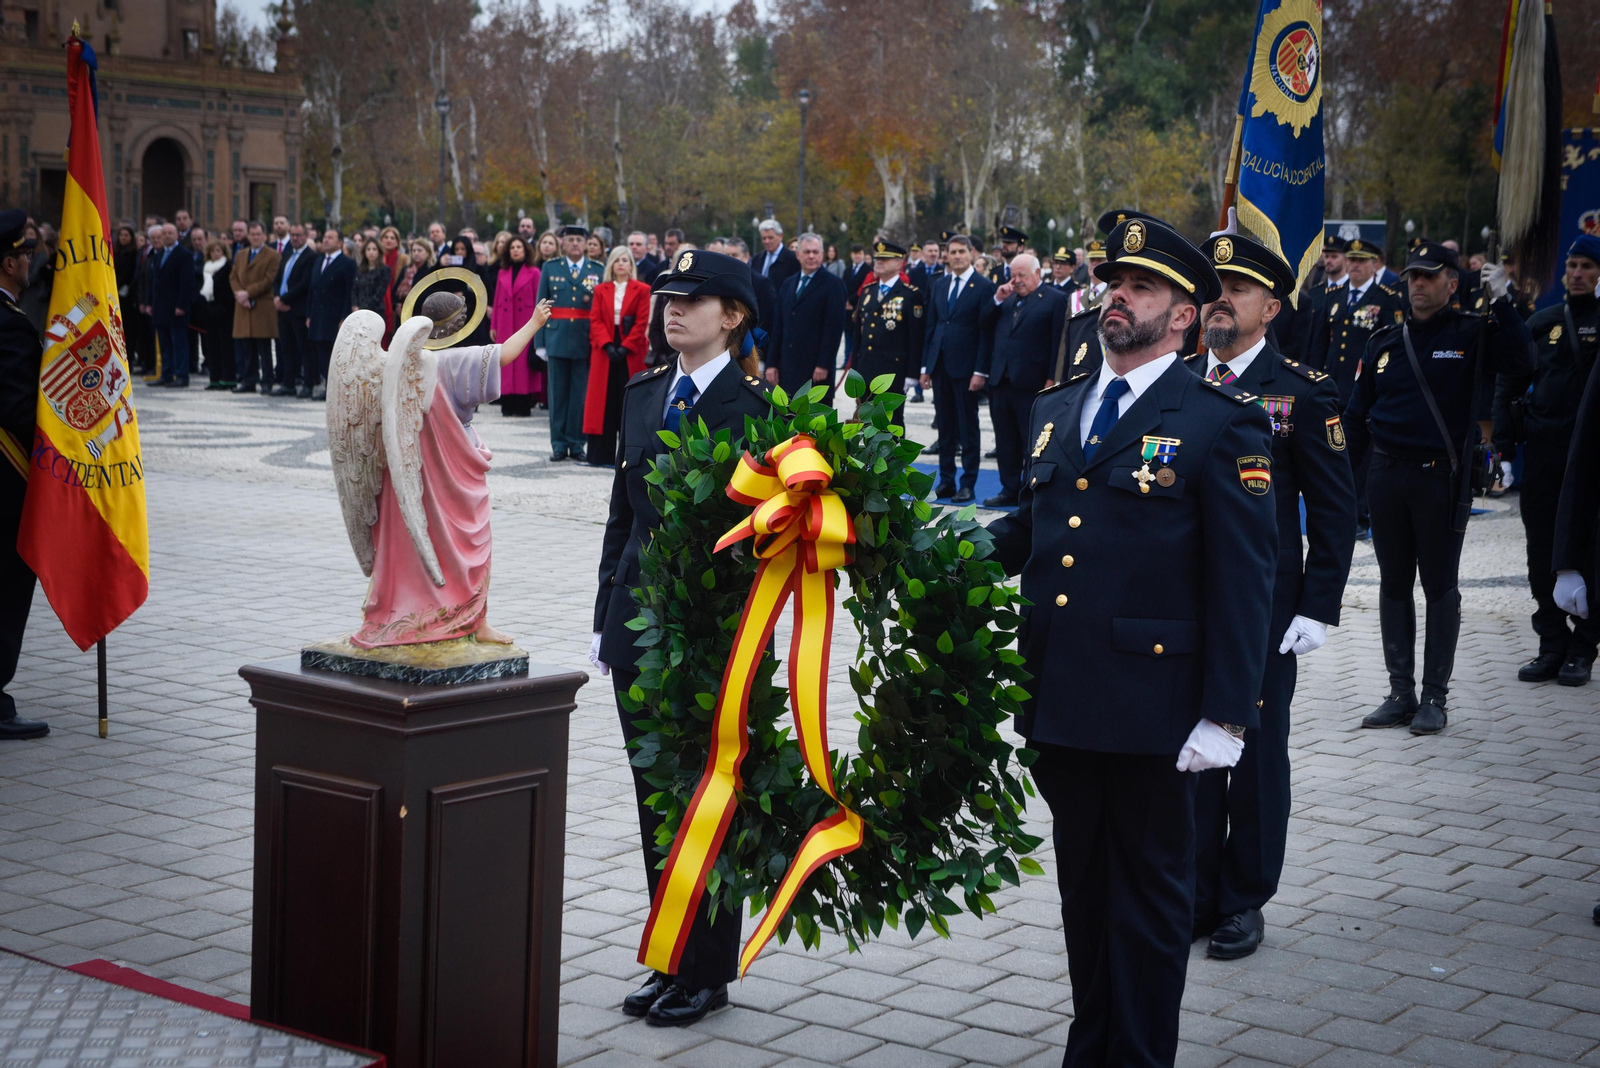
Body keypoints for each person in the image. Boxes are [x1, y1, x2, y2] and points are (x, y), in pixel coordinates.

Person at [985, 211, 1275, 1068]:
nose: (1117, 297)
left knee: (1149, 908)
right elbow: (1032, 529)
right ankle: (1092, 1049)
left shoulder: (1218, 420)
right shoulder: (1058, 405)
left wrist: (1227, 714)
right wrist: (926, 551)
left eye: (1141, 287)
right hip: (1061, 699)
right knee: (1085, 897)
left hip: (1156, 712)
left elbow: (1245, 579)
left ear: (1184, 315)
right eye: (1113, 283)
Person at [590, 249, 774, 1028]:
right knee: (654, 799)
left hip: (716, 638)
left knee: (710, 802)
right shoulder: (644, 393)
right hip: (640, 626)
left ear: (732, 316)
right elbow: (621, 517)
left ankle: (707, 971)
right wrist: (603, 619)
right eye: (668, 296)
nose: (672, 309)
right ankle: (669, 955)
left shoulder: (760, 411)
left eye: (692, 300)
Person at [1188, 231, 1356, 961]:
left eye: (1238, 290)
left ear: (1272, 307)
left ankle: (1243, 898)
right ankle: (1194, 891)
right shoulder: (1180, 380)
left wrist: (1318, 604)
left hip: (1264, 606)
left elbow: (1335, 509)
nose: (1220, 301)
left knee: (1253, 754)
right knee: (1189, 750)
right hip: (1184, 601)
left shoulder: (1301, 392)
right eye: (1213, 289)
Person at [1346, 241, 1531, 735]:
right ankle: (1400, 692)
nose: (1419, 284)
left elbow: (1522, 362)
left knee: (1440, 585)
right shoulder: (1385, 340)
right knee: (1393, 582)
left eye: (1429, 276)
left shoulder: (1472, 332)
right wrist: (1339, 479)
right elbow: (1357, 416)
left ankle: (1434, 696)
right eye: (1413, 276)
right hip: (1387, 475)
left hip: (1439, 477)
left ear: (1453, 283)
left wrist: (1504, 301)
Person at [347, 292, 554, 649]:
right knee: (470, 541)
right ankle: (475, 619)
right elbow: (504, 354)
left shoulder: (402, 362)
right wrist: (535, 322)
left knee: (415, 541)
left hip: (412, 463)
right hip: (452, 461)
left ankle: (411, 609)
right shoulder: (457, 359)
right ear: (461, 324)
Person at [1495, 235, 1600, 686]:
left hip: (1590, 460)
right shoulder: (1542, 321)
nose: (1577, 274)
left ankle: (1584, 647)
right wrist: (1503, 449)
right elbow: (1509, 382)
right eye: (1572, 265)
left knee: (1590, 552)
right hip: (1543, 454)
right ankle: (1552, 643)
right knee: (1541, 551)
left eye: (1587, 267)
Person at [0, 212, 48, 740]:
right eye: (26, 253)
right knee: (7, 591)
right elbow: (17, 409)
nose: (31, 261)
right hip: (7, 484)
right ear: (9, 263)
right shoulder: (10, 323)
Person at [976, 252, 1067, 507]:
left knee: (1033, 442)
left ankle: (1030, 492)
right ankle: (1009, 489)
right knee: (1005, 441)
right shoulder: (1006, 299)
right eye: (1013, 275)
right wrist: (997, 299)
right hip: (1001, 382)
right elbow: (983, 324)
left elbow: (1058, 343)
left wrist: (1052, 378)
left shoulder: (1055, 299)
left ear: (1037, 273)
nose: (1016, 280)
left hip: (1033, 384)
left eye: (1022, 275)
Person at [920, 234, 998, 503]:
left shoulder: (983, 286)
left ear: (971, 254)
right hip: (940, 365)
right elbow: (932, 326)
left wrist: (980, 371)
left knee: (967, 428)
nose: (956, 256)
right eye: (952, 252)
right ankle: (946, 480)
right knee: (945, 427)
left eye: (961, 252)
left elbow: (985, 333)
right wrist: (926, 366)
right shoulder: (940, 284)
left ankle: (968, 483)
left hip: (967, 368)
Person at [535, 225, 605, 462]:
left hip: (584, 338)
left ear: (586, 244)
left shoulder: (597, 269)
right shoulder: (550, 267)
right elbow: (542, 304)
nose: (575, 243)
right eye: (571, 239)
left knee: (579, 396)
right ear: (562, 243)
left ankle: (576, 444)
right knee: (557, 396)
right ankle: (558, 444)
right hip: (555, 337)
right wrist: (540, 341)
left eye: (579, 240)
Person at [584, 246, 651, 464]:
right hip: (604, 348)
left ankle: (627, 457)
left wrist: (625, 347)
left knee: (629, 400)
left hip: (631, 350)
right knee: (602, 401)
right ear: (611, 265)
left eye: (625, 260)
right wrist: (607, 345)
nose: (621, 264)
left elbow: (642, 322)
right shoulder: (600, 289)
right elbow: (595, 320)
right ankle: (599, 455)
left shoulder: (642, 289)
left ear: (631, 265)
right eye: (617, 260)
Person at [764, 232, 846, 399]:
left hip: (815, 371)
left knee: (814, 415)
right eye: (807, 252)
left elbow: (833, 330)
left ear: (822, 254)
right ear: (797, 254)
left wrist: (823, 364)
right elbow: (778, 327)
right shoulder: (788, 284)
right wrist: (771, 364)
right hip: (787, 369)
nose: (811, 256)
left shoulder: (833, 285)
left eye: (815, 252)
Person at [849, 239, 924, 413]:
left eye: (885, 259)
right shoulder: (868, 291)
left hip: (893, 370)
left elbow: (916, 337)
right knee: (866, 418)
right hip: (866, 367)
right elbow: (858, 334)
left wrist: (912, 374)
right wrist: (854, 369)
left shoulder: (910, 294)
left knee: (891, 420)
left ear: (899, 264)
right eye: (878, 259)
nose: (879, 262)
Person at [491, 234, 542, 417]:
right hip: (505, 323)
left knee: (522, 367)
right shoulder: (502, 273)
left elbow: (539, 299)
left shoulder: (534, 272)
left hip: (524, 323)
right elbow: (497, 300)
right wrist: (493, 325)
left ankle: (522, 404)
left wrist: (538, 325)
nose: (515, 250)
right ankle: (507, 403)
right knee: (505, 363)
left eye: (519, 247)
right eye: (512, 248)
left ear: (525, 250)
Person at [228, 222, 280, 394]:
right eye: (252, 234)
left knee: (264, 347)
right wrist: (239, 294)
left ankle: (267, 381)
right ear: (248, 236)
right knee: (247, 346)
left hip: (262, 305)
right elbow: (233, 276)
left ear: (264, 235)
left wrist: (248, 293)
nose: (256, 237)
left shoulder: (273, 255)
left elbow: (268, 280)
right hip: (243, 306)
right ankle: (249, 380)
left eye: (259, 234)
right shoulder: (241, 254)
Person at [306, 227, 356, 400]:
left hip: (335, 316)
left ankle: (337, 390)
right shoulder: (319, 260)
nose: (326, 240)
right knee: (322, 353)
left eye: (330, 237)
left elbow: (349, 292)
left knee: (336, 354)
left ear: (340, 242)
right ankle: (328, 386)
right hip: (318, 315)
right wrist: (309, 314)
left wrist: (345, 317)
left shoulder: (347, 263)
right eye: (325, 237)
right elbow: (312, 289)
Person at [149, 222, 198, 388]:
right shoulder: (159, 254)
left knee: (179, 343)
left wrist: (182, 305)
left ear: (177, 235)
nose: (167, 236)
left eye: (170, 233)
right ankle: (167, 374)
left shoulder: (184, 254)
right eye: (164, 233)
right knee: (165, 344)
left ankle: (182, 375)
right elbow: (154, 281)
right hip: (160, 307)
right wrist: (150, 303)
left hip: (176, 307)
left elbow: (187, 282)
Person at [272, 223, 315, 397]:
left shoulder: (311, 256)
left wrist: (284, 299)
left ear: (305, 236)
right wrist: (277, 297)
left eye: (298, 235)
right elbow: (278, 279)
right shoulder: (288, 254)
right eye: (292, 235)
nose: (295, 238)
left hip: (298, 308)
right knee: (286, 348)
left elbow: (304, 284)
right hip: (283, 309)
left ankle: (308, 384)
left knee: (304, 349)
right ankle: (288, 383)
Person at [197, 240, 236, 390]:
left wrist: (224, 307)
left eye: (218, 251)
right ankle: (214, 379)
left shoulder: (227, 267)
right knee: (212, 346)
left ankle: (228, 379)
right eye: (213, 251)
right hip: (210, 310)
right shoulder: (207, 268)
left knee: (225, 346)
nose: (215, 254)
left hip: (224, 311)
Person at [754, 219, 800, 291]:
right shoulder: (757, 259)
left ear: (780, 236)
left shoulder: (793, 259)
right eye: (764, 238)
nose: (767, 241)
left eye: (770, 238)